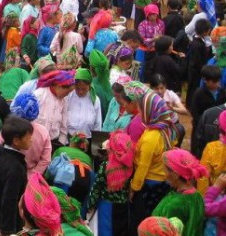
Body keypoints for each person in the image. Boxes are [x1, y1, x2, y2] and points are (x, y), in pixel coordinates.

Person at [130, 89, 179, 229]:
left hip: (150, 185)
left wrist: (134, 188)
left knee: (144, 223)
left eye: (141, 110)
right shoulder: (165, 128)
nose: (139, 113)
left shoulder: (152, 136)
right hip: (162, 181)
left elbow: (143, 166)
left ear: (149, 111)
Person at [0, 115, 34, 236]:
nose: (31, 140)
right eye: (28, 138)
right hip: (8, 223)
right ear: (16, 141)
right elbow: (9, 199)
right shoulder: (16, 166)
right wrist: (7, 230)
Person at [88, 130, 136, 236]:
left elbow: (97, 187)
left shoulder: (106, 166)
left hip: (106, 206)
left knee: (106, 231)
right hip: (123, 206)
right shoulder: (130, 165)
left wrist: (91, 204)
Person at [152, 148, 206, 236]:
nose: (163, 174)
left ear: (175, 174)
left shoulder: (173, 205)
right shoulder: (197, 196)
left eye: (164, 170)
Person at [34, 69, 75, 150]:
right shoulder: (39, 95)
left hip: (54, 142)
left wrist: (61, 142)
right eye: (66, 92)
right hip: (36, 141)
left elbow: (64, 122)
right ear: (59, 86)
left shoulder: (64, 100)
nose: (67, 95)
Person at [66, 68, 103, 137]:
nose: (80, 92)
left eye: (84, 89)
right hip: (69, 138)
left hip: (87, 139)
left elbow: (98, 123)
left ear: (89, 86)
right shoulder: (68, 96)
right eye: (77, 88)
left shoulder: (95, 100)